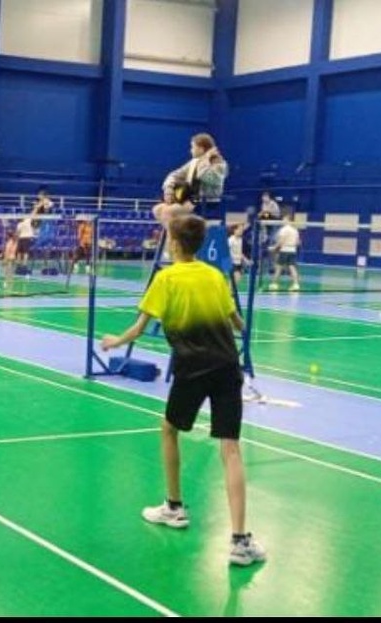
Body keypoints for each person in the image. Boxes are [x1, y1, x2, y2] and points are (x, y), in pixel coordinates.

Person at [100, 214, 265, 567]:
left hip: (192, 369)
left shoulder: (165, 278)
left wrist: (114, 341)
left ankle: (174, 507)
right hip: (227, 367)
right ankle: (240, 541)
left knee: (169, 429)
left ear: (173, 244)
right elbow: (238, 323)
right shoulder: (215, 276)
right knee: (230, 448)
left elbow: (139, 329)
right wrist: (237, 322)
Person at [162, 133, 228, 219]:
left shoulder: (219, 164)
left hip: (206, 202)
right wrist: (168, 188)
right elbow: (174, 175)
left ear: (201, 149)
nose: (191, 150)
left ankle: (178, 226)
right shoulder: (194, 162)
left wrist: (205, 160)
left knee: (168, 213)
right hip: (190, 198)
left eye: (193, 147)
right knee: (158, 209)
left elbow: (206, 177)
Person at [268, 214, 300, 292]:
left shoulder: (283, 230)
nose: (282, 221)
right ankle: (296, 285)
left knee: (278, 268)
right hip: (292, 250)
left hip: (284, 250)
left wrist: (274, 248)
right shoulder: (295, 230)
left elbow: (281, 242)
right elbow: (298, 242)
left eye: (284, 219)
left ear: (288, 220)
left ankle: (274, 284)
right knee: (292, 267)